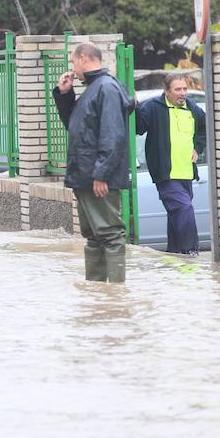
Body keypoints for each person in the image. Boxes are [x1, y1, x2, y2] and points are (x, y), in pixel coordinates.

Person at [53, 43, 133, 283]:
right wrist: (65, 94)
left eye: (73, 62)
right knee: (93, 236)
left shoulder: (106, 88)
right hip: (85, 175)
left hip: (97, 177)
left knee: (109, 234)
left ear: (85, 58)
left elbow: (113, 134)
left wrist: (102, 174)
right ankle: (98, 292)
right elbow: (75, 125)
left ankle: (117, 293)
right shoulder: (92, 88)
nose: (72, 68)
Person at [136, 73, 207, 255]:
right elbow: (138, 127)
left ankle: (175, 258)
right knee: (184, 209)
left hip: (187, 173)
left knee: (176, 216)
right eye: (178, 89)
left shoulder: (193, 108)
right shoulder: (153, 108)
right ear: (167, 91)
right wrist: (134, 105)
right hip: (166, 175)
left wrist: (198, 148)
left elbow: (204, 129)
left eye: (184, 89)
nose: (182, 93)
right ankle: (191, 253)